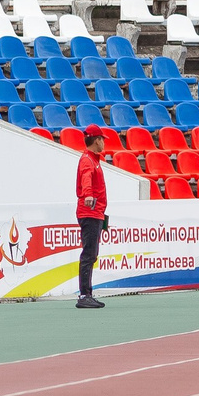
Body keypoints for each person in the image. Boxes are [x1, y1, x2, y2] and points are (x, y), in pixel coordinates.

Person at [75, 127, 110, 308]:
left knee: (91, 254)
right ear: (97, 140)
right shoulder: (88, 160)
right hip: (90, 212)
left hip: (95, 212)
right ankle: (84, 295)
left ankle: (86, 294)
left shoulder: (91, 160)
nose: (103, 143)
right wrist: (88, 194)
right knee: (89, 254)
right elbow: (86, 178)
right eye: (102, 139)